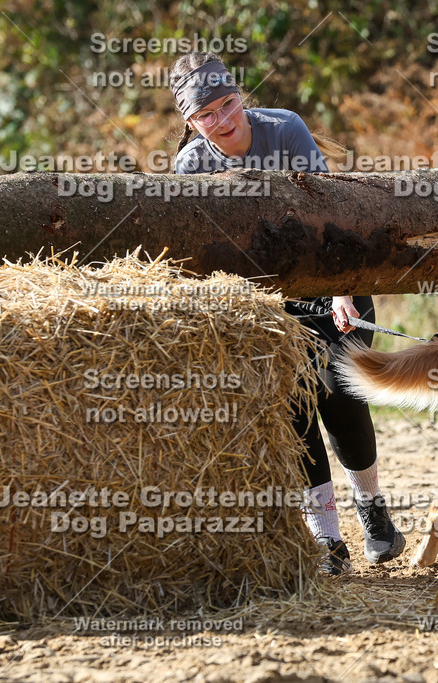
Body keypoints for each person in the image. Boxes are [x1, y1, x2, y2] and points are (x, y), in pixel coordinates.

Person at [169, 52, 405, 576]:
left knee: (342, 397)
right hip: (266, 304)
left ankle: (372, 510)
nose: (223, 121)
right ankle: (326, 538)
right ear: (190, 123)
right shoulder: (191, 168)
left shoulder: (287, 130)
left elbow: (328, 216)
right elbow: (200, 255)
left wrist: (343, 292)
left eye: (228, 104)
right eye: (207, 115)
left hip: (330, 279)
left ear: (241, 96)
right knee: (294, 410)